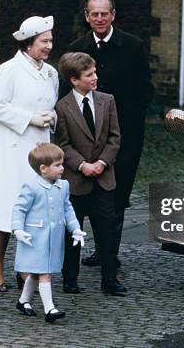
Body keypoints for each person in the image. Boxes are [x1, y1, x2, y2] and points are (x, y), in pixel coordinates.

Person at [67, 0, 154, 267]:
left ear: (113, 15)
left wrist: (129, 121)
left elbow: (145, 90)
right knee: (88, 192)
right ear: (87, 16)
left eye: (104, 14)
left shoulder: (133, 46)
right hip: (86, 138)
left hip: (124, 136)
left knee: (117, 194)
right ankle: (92, 250)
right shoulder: (77, 47)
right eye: (95, 14)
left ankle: (110, 254)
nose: (100, 19)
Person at [0, 16, 58, 292]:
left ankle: (26, 267)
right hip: (11, 149)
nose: (49, 46)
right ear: (28, 43)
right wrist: (31, 119)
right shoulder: (9, 70)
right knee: (7, 209)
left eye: (50, 40)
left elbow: (52, 103)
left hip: (39, 150)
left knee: (35, 210)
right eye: (43, 41)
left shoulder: (50, 72)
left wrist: (51, 117)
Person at [55, 52, 126, 295]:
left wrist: (103, 163)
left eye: (95, 72)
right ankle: (70, 279)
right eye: (89, 75)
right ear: (74, 80)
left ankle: (109, 280)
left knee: (106, 232)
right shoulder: (62, 107)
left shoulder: (107, 101)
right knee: (73, 233)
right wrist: (82, 165)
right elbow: (63, 144)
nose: (95, 77)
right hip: (76, 181)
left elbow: (115, 137)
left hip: (104, 180)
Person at [12, 143, 86, 323]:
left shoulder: (64, 186)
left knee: (37, 272)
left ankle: (23, 301)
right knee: (45, 273)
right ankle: (49, 309)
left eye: (62, 164)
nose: (62, 168)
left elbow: (67, 209)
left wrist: (75, 229)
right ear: (43, 169)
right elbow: (19, 209)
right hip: (35, 238)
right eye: (58, 165)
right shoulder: (31, 187)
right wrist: (18, 229)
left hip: (54, 238)